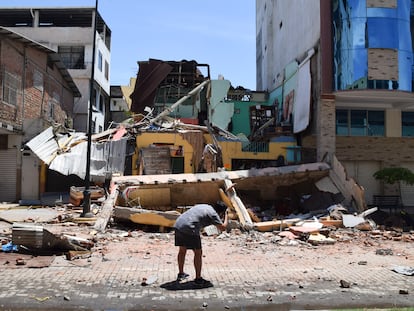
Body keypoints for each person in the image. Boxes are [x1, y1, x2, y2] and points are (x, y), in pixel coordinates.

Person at [173, 202, 228, 285]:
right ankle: (198, 278)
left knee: (182, 250)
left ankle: (181, 274)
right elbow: (223, 228)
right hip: (190, 228)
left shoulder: (205, 206)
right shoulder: (213, 214)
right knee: (198, 252)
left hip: (178, 224)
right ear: (221, 212)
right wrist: (226, 216)